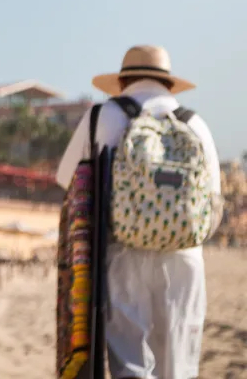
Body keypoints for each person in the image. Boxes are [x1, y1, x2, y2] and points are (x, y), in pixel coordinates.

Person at [56, 45, 222, 379]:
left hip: (122, 255)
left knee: (130, 363)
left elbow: (66, 179)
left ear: (123, 81)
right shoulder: (196, 124)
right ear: (169, 84)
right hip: (185, 258)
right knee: (178, 367)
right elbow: (214, 202)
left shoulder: (101, 116)